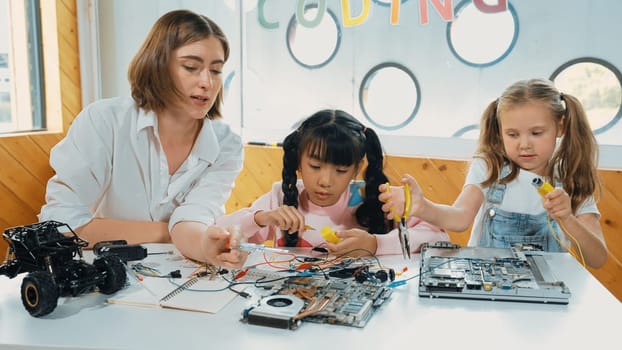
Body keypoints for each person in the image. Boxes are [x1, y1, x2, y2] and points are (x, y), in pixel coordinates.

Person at [38, 9, 245, 268]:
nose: (207, 82)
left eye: (216, 71)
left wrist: (206, 245)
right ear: (158, 66)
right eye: (191, 67)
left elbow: (195, 215)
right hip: (101, 276)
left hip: (176, 274)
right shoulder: (104, 120)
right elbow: (63, 226)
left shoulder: (227, 145)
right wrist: (174, 232)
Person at [380, 78, 607, 268]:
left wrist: (567, 218)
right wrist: (422, 207)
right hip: (487, 289)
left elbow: (597, 258)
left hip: (549, 296)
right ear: (499, 132)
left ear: (561, 126)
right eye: (512, 134)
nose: (524, 144)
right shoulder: (490, 167)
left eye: (537, 133)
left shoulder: (572, 177)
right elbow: (459, 218)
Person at [216, 109, 448, 257]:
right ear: (298, 162)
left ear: (356, 168)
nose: (325, 181)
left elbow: (439, 237)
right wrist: (259, 219)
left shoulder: (374, 198)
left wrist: (375, 244)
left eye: (340, 170)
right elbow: (219, 234)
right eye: (315, 167)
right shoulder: (281, 197)